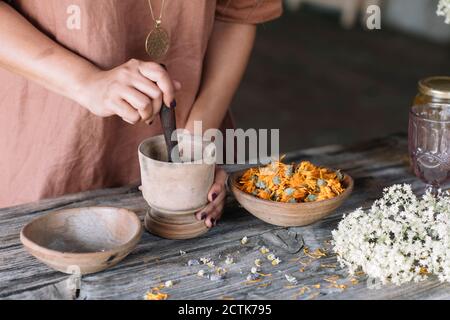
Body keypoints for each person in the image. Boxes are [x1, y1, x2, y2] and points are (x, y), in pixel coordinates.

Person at [0, 0, 282, 228]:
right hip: (51, 155)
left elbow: (237, 13)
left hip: (196, 133)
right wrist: (85, 81)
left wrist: (195, 149)